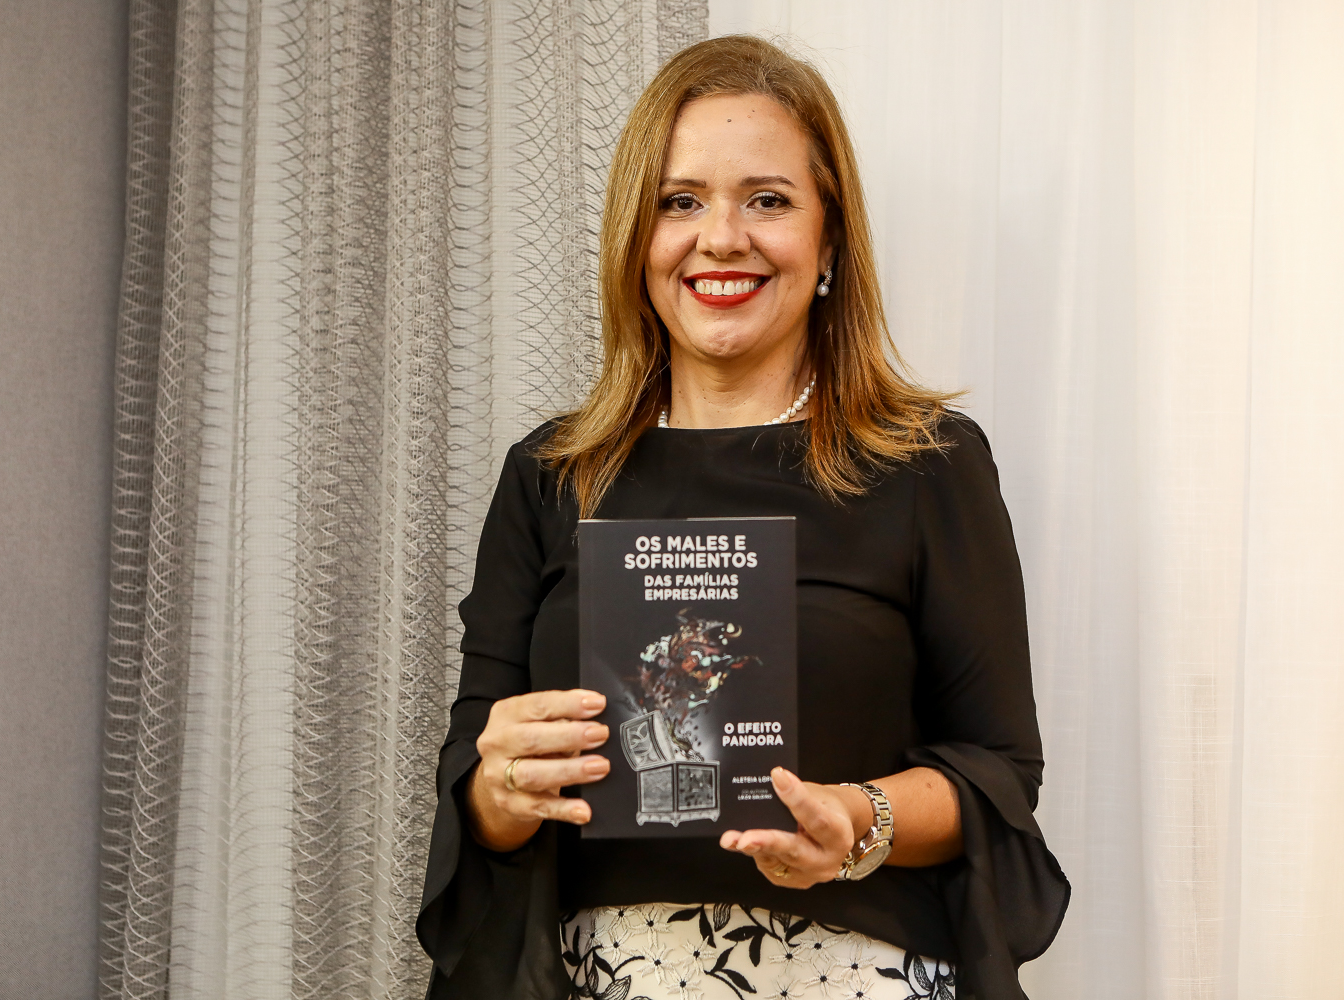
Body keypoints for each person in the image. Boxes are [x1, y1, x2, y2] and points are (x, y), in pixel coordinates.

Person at [417, 34, 1068, 1000]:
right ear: (636, 238)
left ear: (829, 240)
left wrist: (858, 821)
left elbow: (998, 771)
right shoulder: (551, 476)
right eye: (680, 202)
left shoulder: (928, 466)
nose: (721, 238)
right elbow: (473, 784)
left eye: (767, 199)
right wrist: (500, 787)